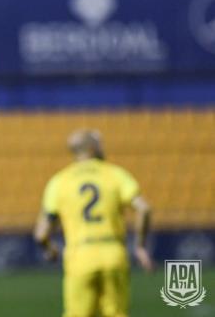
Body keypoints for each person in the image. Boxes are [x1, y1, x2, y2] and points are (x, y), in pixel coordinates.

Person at [34, 129, 153, 317]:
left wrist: (50, 249)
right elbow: (144, 209)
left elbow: (41, 233)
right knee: (116, 313)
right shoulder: (115, 174)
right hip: (113, 251)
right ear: (92, 147)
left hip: (79, 255)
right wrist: (139, 246)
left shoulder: (59, 181)